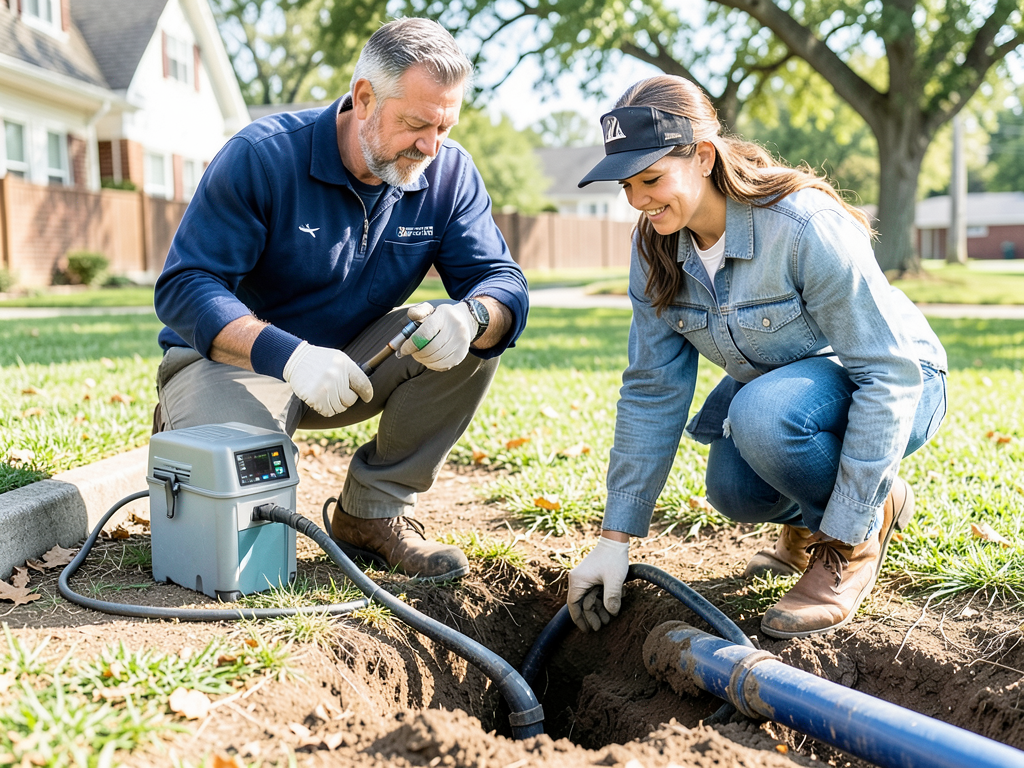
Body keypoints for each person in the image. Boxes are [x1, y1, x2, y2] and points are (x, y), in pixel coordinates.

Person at [566, 75, 948, 639]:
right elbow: (652, 387)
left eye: (650, 178)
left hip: (899, 384)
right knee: (733, 488)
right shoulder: (653, 249)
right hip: (788, 398)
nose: (638, 201)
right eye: (626, 185)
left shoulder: (803, 224)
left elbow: (887, 373)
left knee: (760, 416)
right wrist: (613, 539)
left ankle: (852, 534)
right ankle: (825, 513)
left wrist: (846, 523)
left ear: (701, 156)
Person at [152, 18, 528, 583]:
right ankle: (188, 424)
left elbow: (502, 280)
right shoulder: (262, 157)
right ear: (364, 98)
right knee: (246, 555)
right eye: (415, 124)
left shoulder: (448, 173)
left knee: (477, 340)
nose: (430, 146)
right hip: (236, 364)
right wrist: (291, 355)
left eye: (444, 128)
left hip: (357, 365)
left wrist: (473, 316)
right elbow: (185, 286)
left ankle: (372, 513)